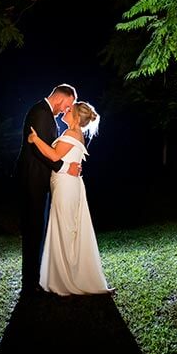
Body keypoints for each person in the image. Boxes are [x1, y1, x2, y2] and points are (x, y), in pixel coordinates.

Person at [28, 101, 113, 296]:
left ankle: (66, 281)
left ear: (75, 117)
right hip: (68, 185)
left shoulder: (71, 134)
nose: (65, 111)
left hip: (66, 186)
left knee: (65, 230)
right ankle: (69, 276)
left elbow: (54, 156)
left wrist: (35, 139)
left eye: (69, 110)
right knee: (68, 230)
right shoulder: (76, 134)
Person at [14, 84, 80, 295]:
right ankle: (30, 284)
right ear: (60, 98)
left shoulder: (43, 113)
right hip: (32, 179)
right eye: (67, 105)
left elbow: (47, 148)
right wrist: (63, 167)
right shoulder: (41, 113)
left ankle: (34, 280)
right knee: (33, 231)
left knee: (36, 230)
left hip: (37, 180)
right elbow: (40, 150)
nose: (66, 110)